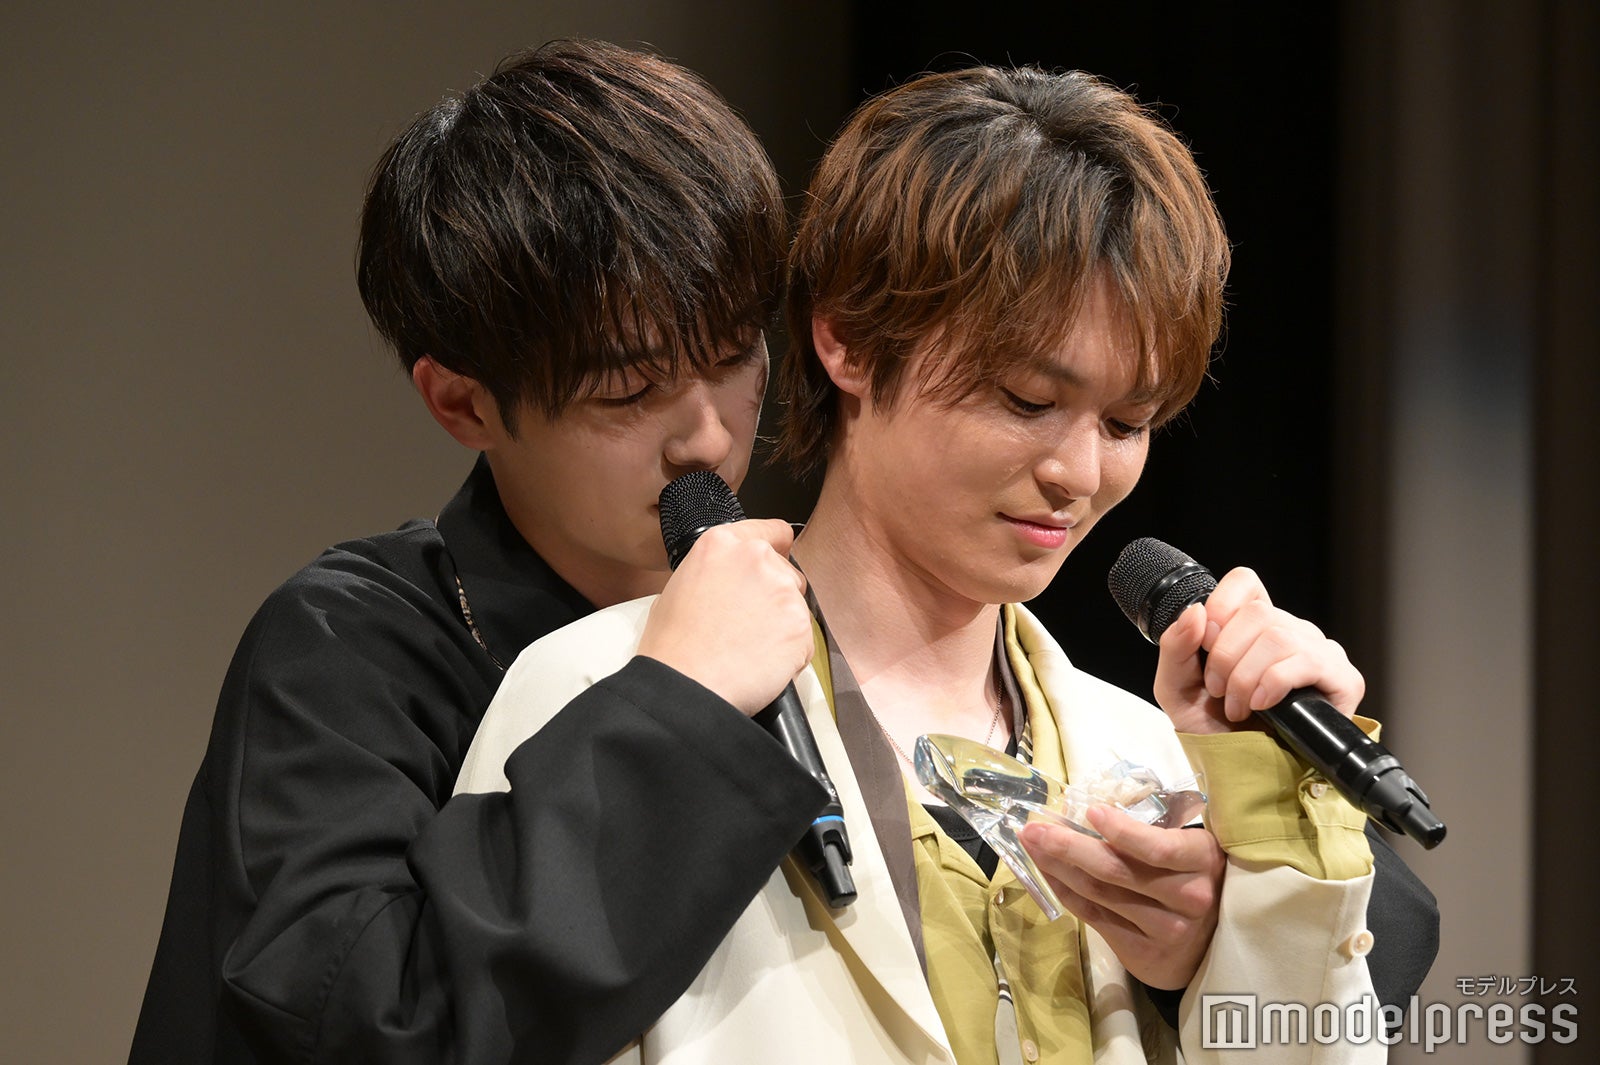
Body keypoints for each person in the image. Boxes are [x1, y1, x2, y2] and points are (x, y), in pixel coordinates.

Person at [455, 63, 1433, 1063]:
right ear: (847, 339)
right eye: (1026, 400)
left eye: (1127, 422)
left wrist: (1265, 857)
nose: (1077, 472)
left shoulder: (1152, 755)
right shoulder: (599, 690)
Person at [129, 40, 830, 1065]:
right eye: (628, 391)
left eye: (732, 355)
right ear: (462, 403)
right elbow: (381, 1020)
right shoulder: (345, 648)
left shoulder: (807, 611)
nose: (709, 436)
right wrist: (678, 706)